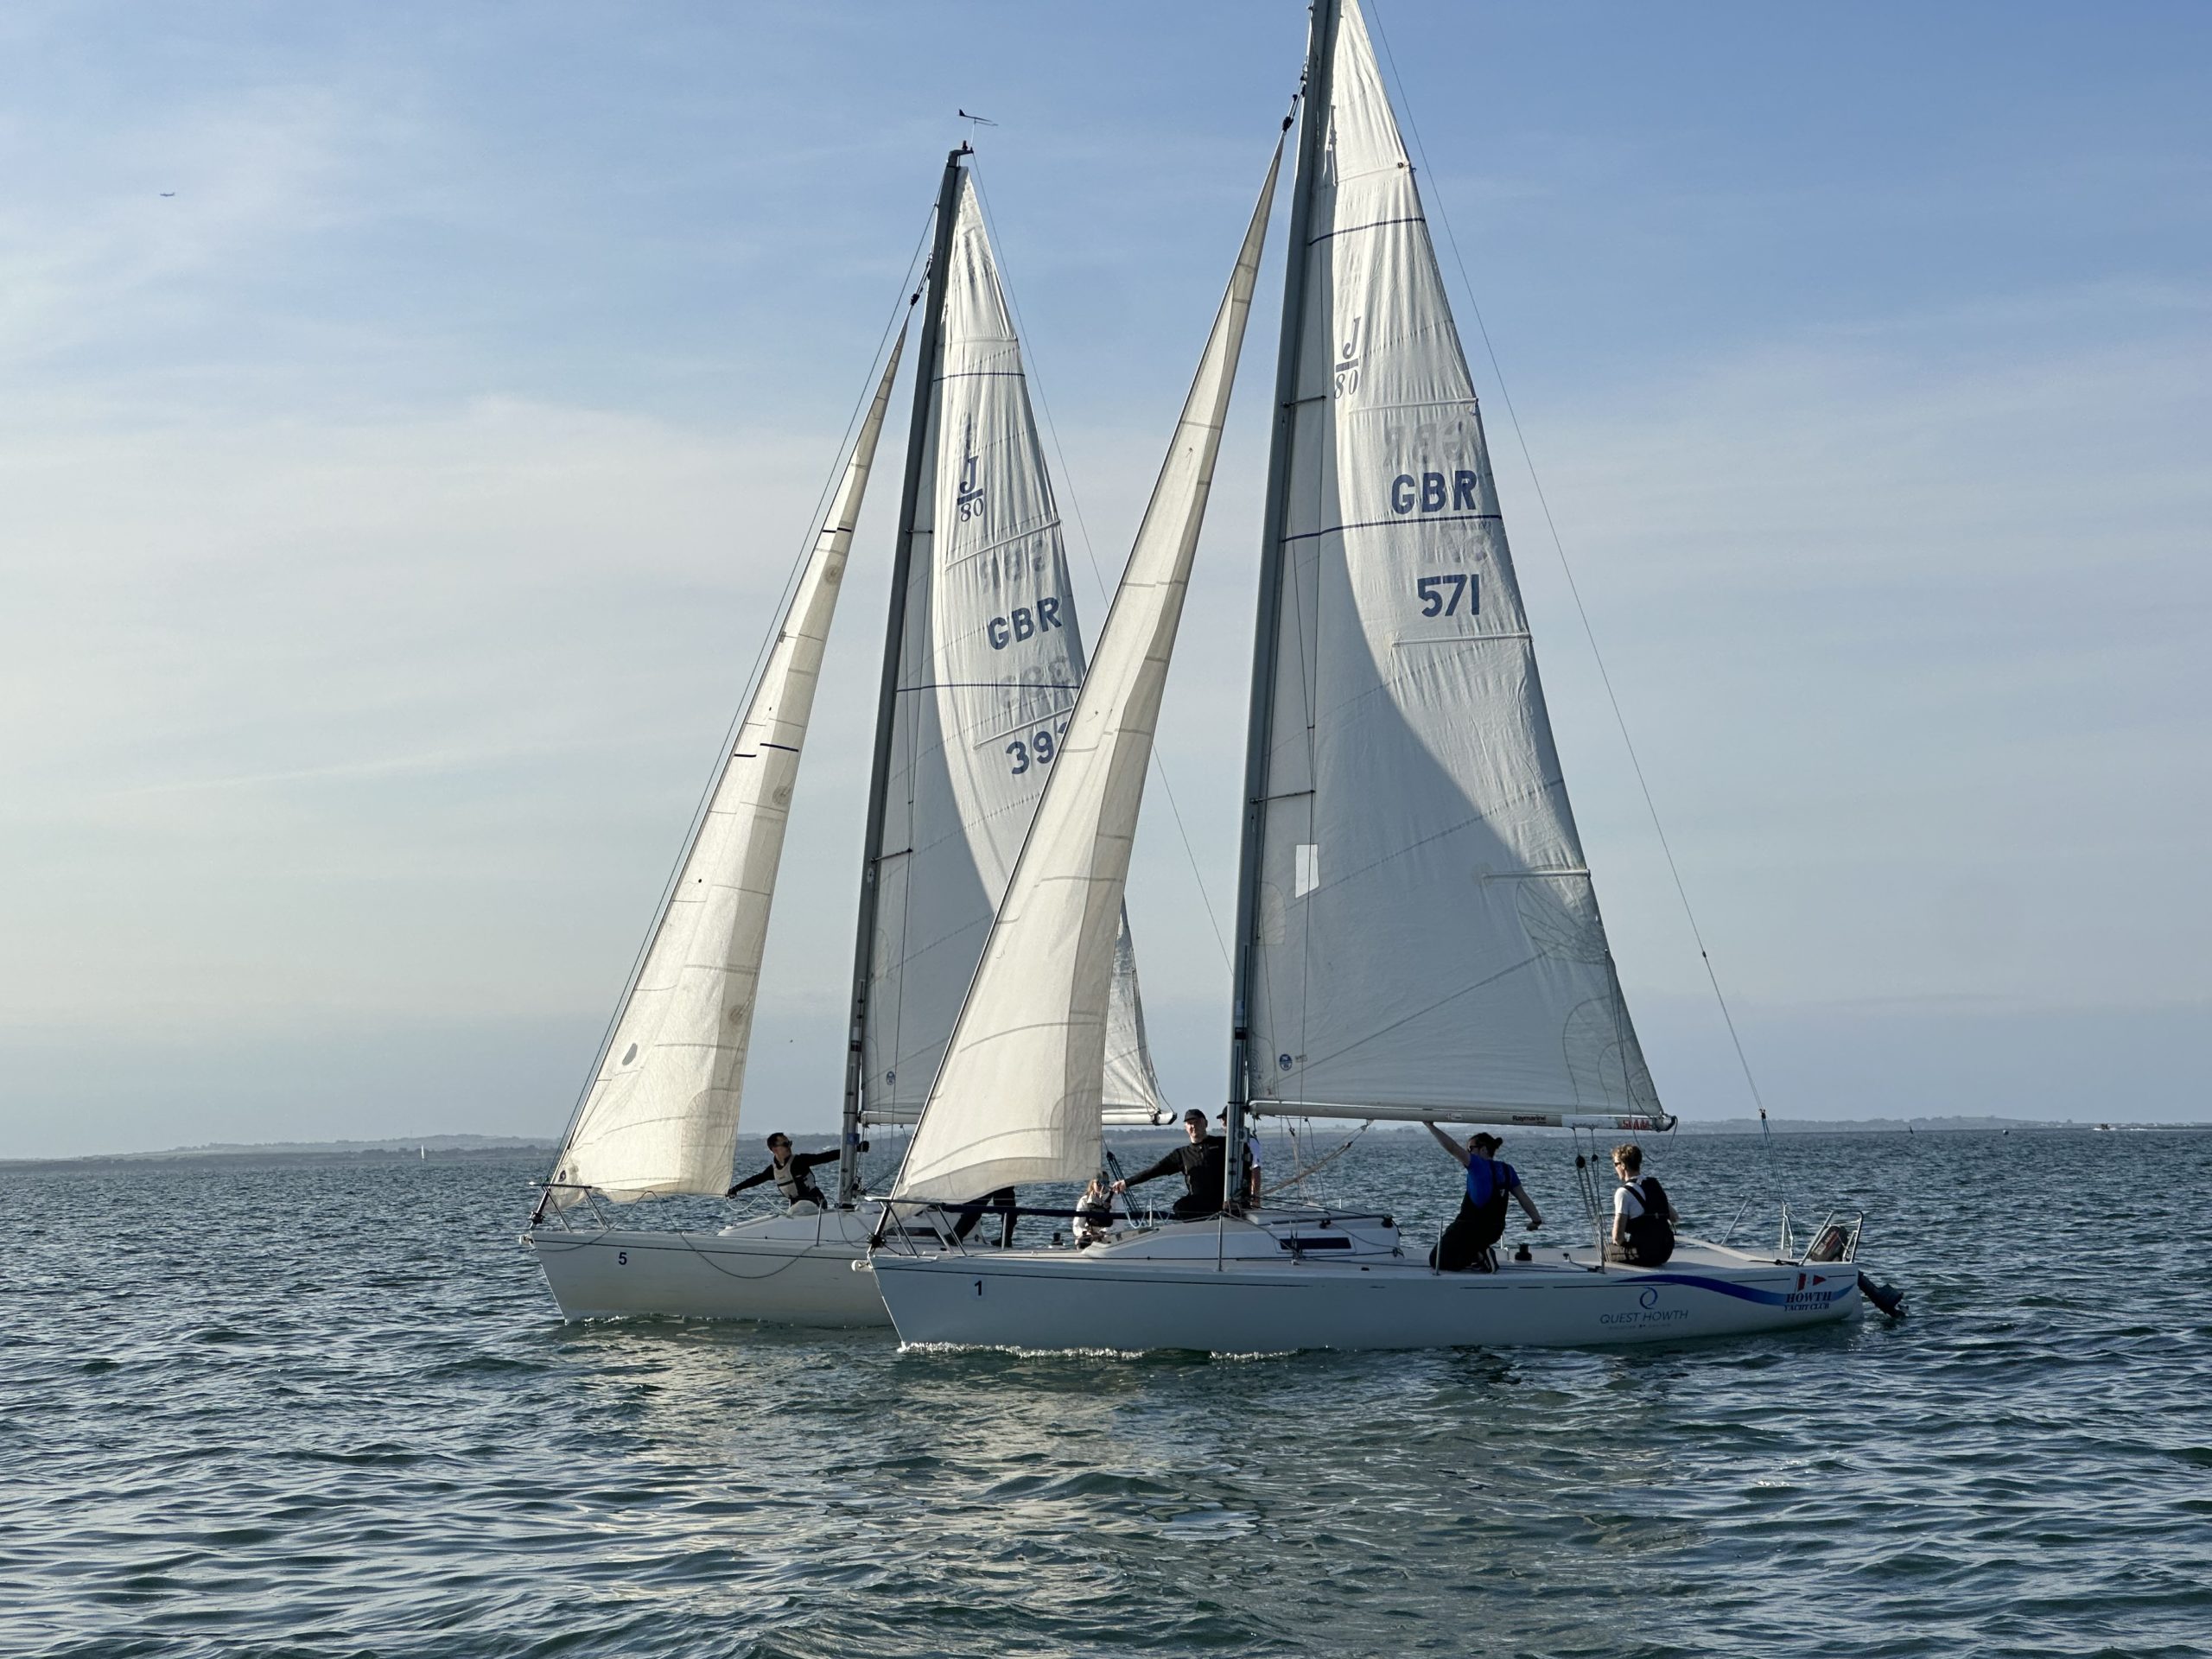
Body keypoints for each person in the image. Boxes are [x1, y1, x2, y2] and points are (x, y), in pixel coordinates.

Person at [1423, 1124, 1542, 1272]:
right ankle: (1480, 1254)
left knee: (1437, 1260)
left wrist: (1429, 1125)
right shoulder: (1508, 1170)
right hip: (1494, 1231)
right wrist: (1536, 1221)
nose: (1468, 1152)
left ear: (1484, 1149)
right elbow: (1523, 1197)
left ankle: (1482, 1256)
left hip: (1470, 1228)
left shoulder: (1476, 1164)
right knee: (1460, 1247)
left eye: (1470, 1148)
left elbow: (1452, 1147)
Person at [1113, 1109, 1230, 1220]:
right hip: (1200, 1203)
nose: (1193, 1126)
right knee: (1179, 1207)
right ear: (1186, 1128)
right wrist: (1126, 1183)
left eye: (1197, 1122)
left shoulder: (1224, 1144)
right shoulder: (1181, 1154)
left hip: (1224, 1202)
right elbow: (1154, 1171)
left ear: (1206, 1124)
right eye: (1190, 1123)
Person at [727, 1133, 858, 1211]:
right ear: (774, 1149)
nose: (789, 1147)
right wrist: (736, 1189)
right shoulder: (774, 1170)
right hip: (797, 1208)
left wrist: (855, 1149)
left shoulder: (800, 1161)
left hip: (816, 1205)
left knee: (795, 1212)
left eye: (789, 1143)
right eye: (785, 1144)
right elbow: (757, 1179)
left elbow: (825, 1157)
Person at [1609, 1143, 1677, 1266]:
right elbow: (1674, 1217)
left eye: (1616, 1164)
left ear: (1623, 1165)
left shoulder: (1623, 1192)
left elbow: (1618, 1238)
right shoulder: (1654, 1185)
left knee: (1606, 1251)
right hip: (1665, 1252)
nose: (1615, 1168)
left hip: (1644, 1254)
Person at [1216, 1109, 1263, 1206]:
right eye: (1222, 1119)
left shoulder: (1250, 1141)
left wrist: (1255, 1198)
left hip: (1242, 1195)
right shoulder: (1222, 1143)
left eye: (1226, 1118)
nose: (1224, 1122)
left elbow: (1255, 1170)